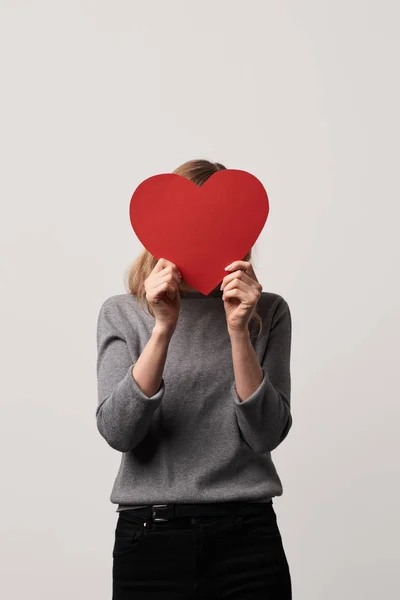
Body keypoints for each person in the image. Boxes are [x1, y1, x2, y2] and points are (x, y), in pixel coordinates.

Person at [96, 159, 293, 599]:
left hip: (248, 538)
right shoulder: (122, 312)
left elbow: (265, 436)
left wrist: (239, 329)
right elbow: (119, 431)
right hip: (150, 536)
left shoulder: (269, 312)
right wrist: (163, 327)